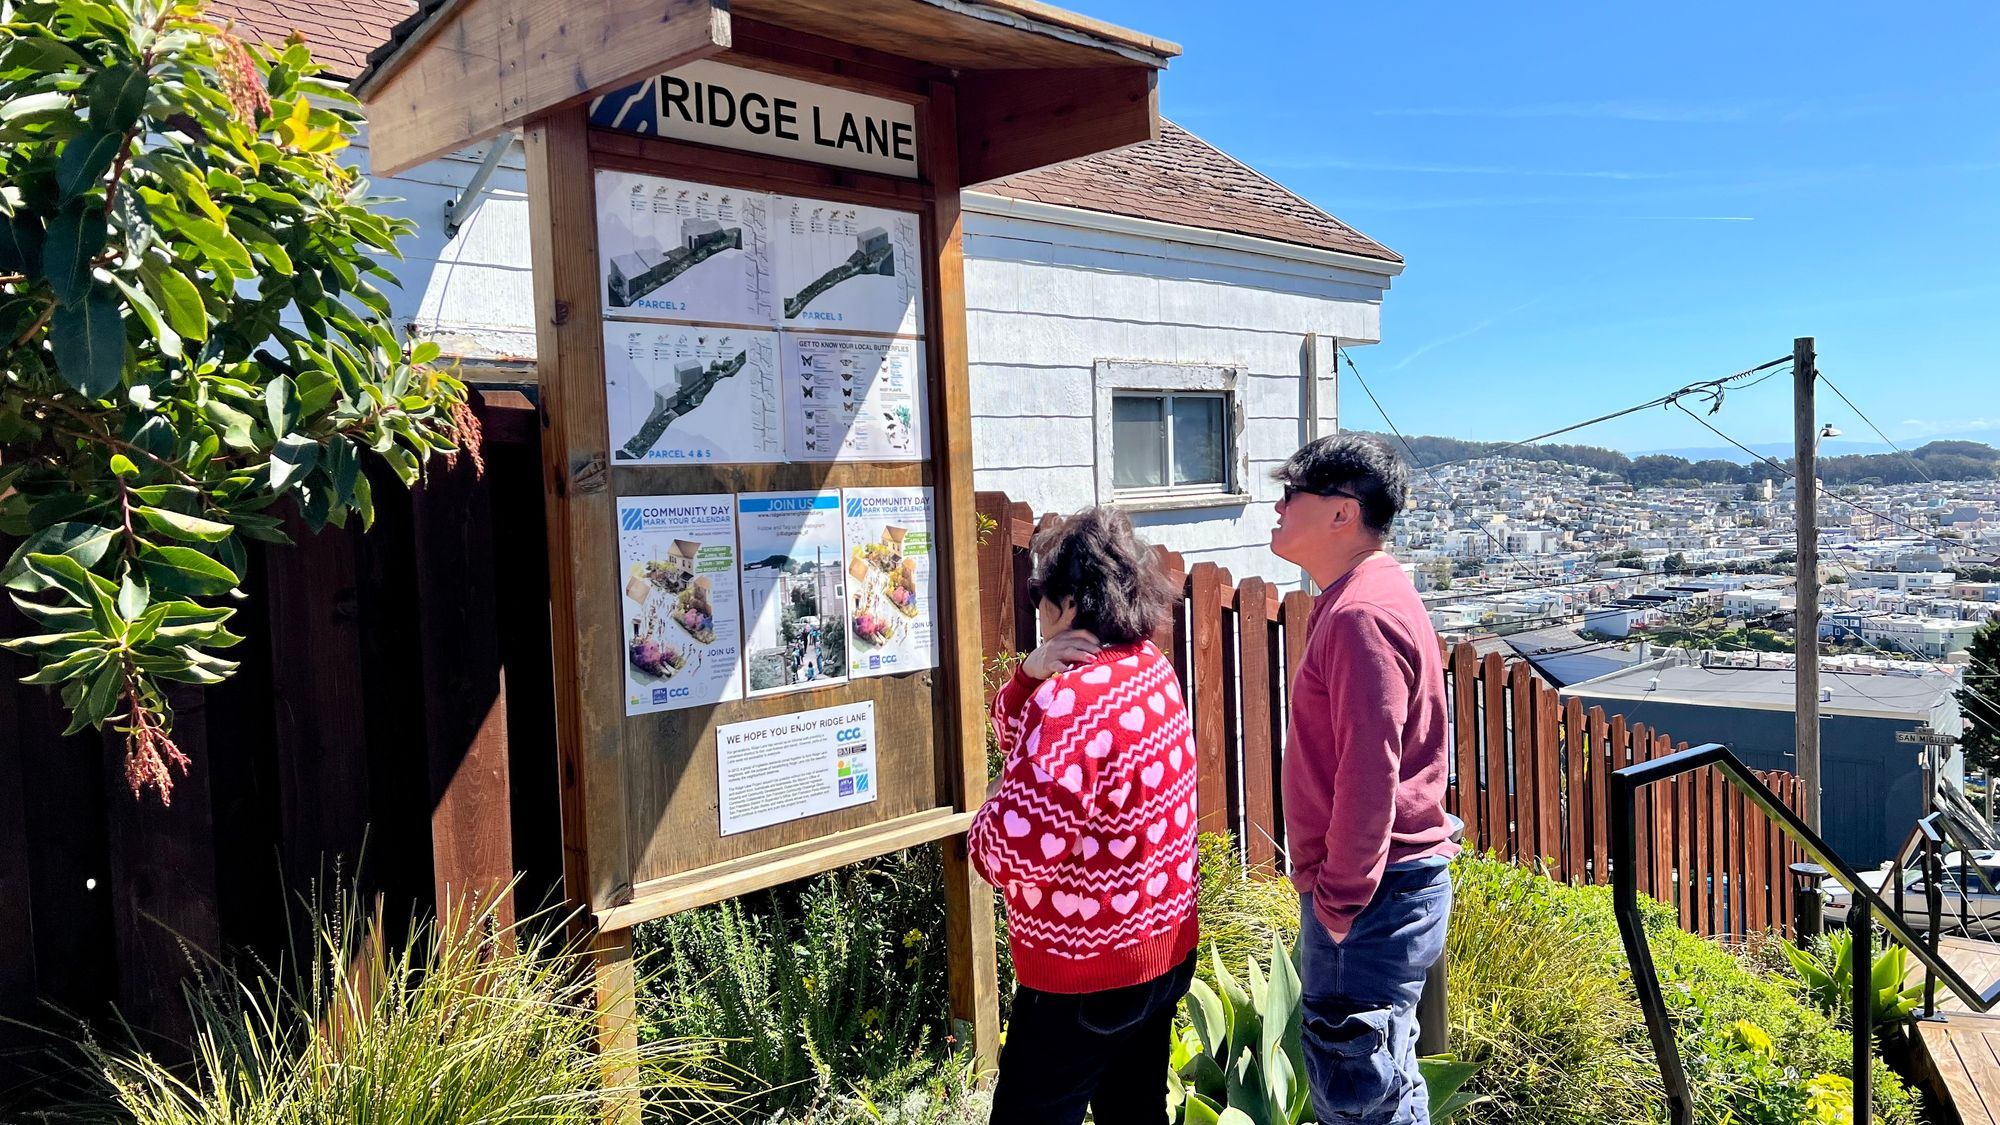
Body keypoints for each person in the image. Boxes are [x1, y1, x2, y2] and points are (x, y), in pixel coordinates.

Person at [966, 506, 1199, 1125]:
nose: (1039, 611)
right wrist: (1027, 676)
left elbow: (1009, 854)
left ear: (1067, 602)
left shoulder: (1071, 704)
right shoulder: (1150, 669)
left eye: (1044, 599)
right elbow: (1028, 741)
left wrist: (988, 808)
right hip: (1160, 948)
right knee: (1135, 1110)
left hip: (1082, 972)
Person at [1269, 435, 1459, 1125]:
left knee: (1360, 1099)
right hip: (1390, 889)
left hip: (1372, 898)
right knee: (1382, 1081)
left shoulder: (1360, 613)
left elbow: (1369, 773)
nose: (1279, 504)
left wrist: (1338, 901)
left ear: (1341, 514)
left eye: (1293, 493)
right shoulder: (1370, 593)